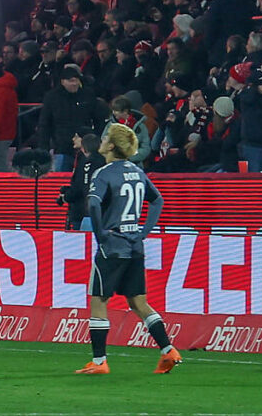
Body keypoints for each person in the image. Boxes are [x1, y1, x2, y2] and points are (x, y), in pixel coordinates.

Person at [74, 123, 180, 376]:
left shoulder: (104, 173)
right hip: (135, 246)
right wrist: (143, 232)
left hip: (113, 245)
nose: (102, 140)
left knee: (99, 301)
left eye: (105, 137)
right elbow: (158, 200)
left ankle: (99, 362)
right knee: (138, 302)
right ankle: (168, 350)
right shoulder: (137, 171)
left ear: (111, 145)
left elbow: (94, 205)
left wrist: (101, 235)